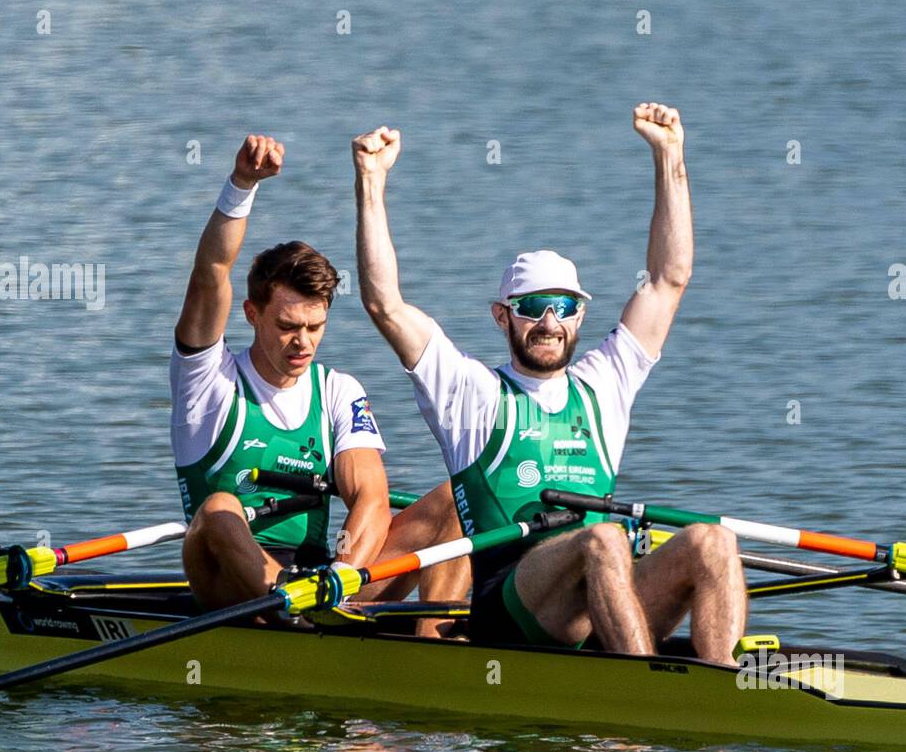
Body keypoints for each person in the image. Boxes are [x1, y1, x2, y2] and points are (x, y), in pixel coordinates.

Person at [351, 104, 748, 664]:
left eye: (563, 307)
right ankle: (638, 691)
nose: (548, 322)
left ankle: (723, 683)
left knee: (713, 540)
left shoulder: (605, 383)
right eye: (532, 307)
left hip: (598, 600)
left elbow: (669, 278)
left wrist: (670, 156)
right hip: (511, 607)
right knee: (606, 538)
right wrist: (371, 181)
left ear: (580, 317)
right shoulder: (472, 394)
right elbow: (384, 304)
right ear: (502, 316)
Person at [172, 133, 468, 616]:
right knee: (219, 508)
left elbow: (371, 496)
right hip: (227, 582)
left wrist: (337, 577)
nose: (303, 342)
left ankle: (435, 641)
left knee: (456, 499)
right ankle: (291, 608)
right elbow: (211, 272)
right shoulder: (208, 381)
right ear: (251, 313)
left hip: (324, 582)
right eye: (288, 326)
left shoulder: (337, 390)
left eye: (315, 327)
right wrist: (242, 183)